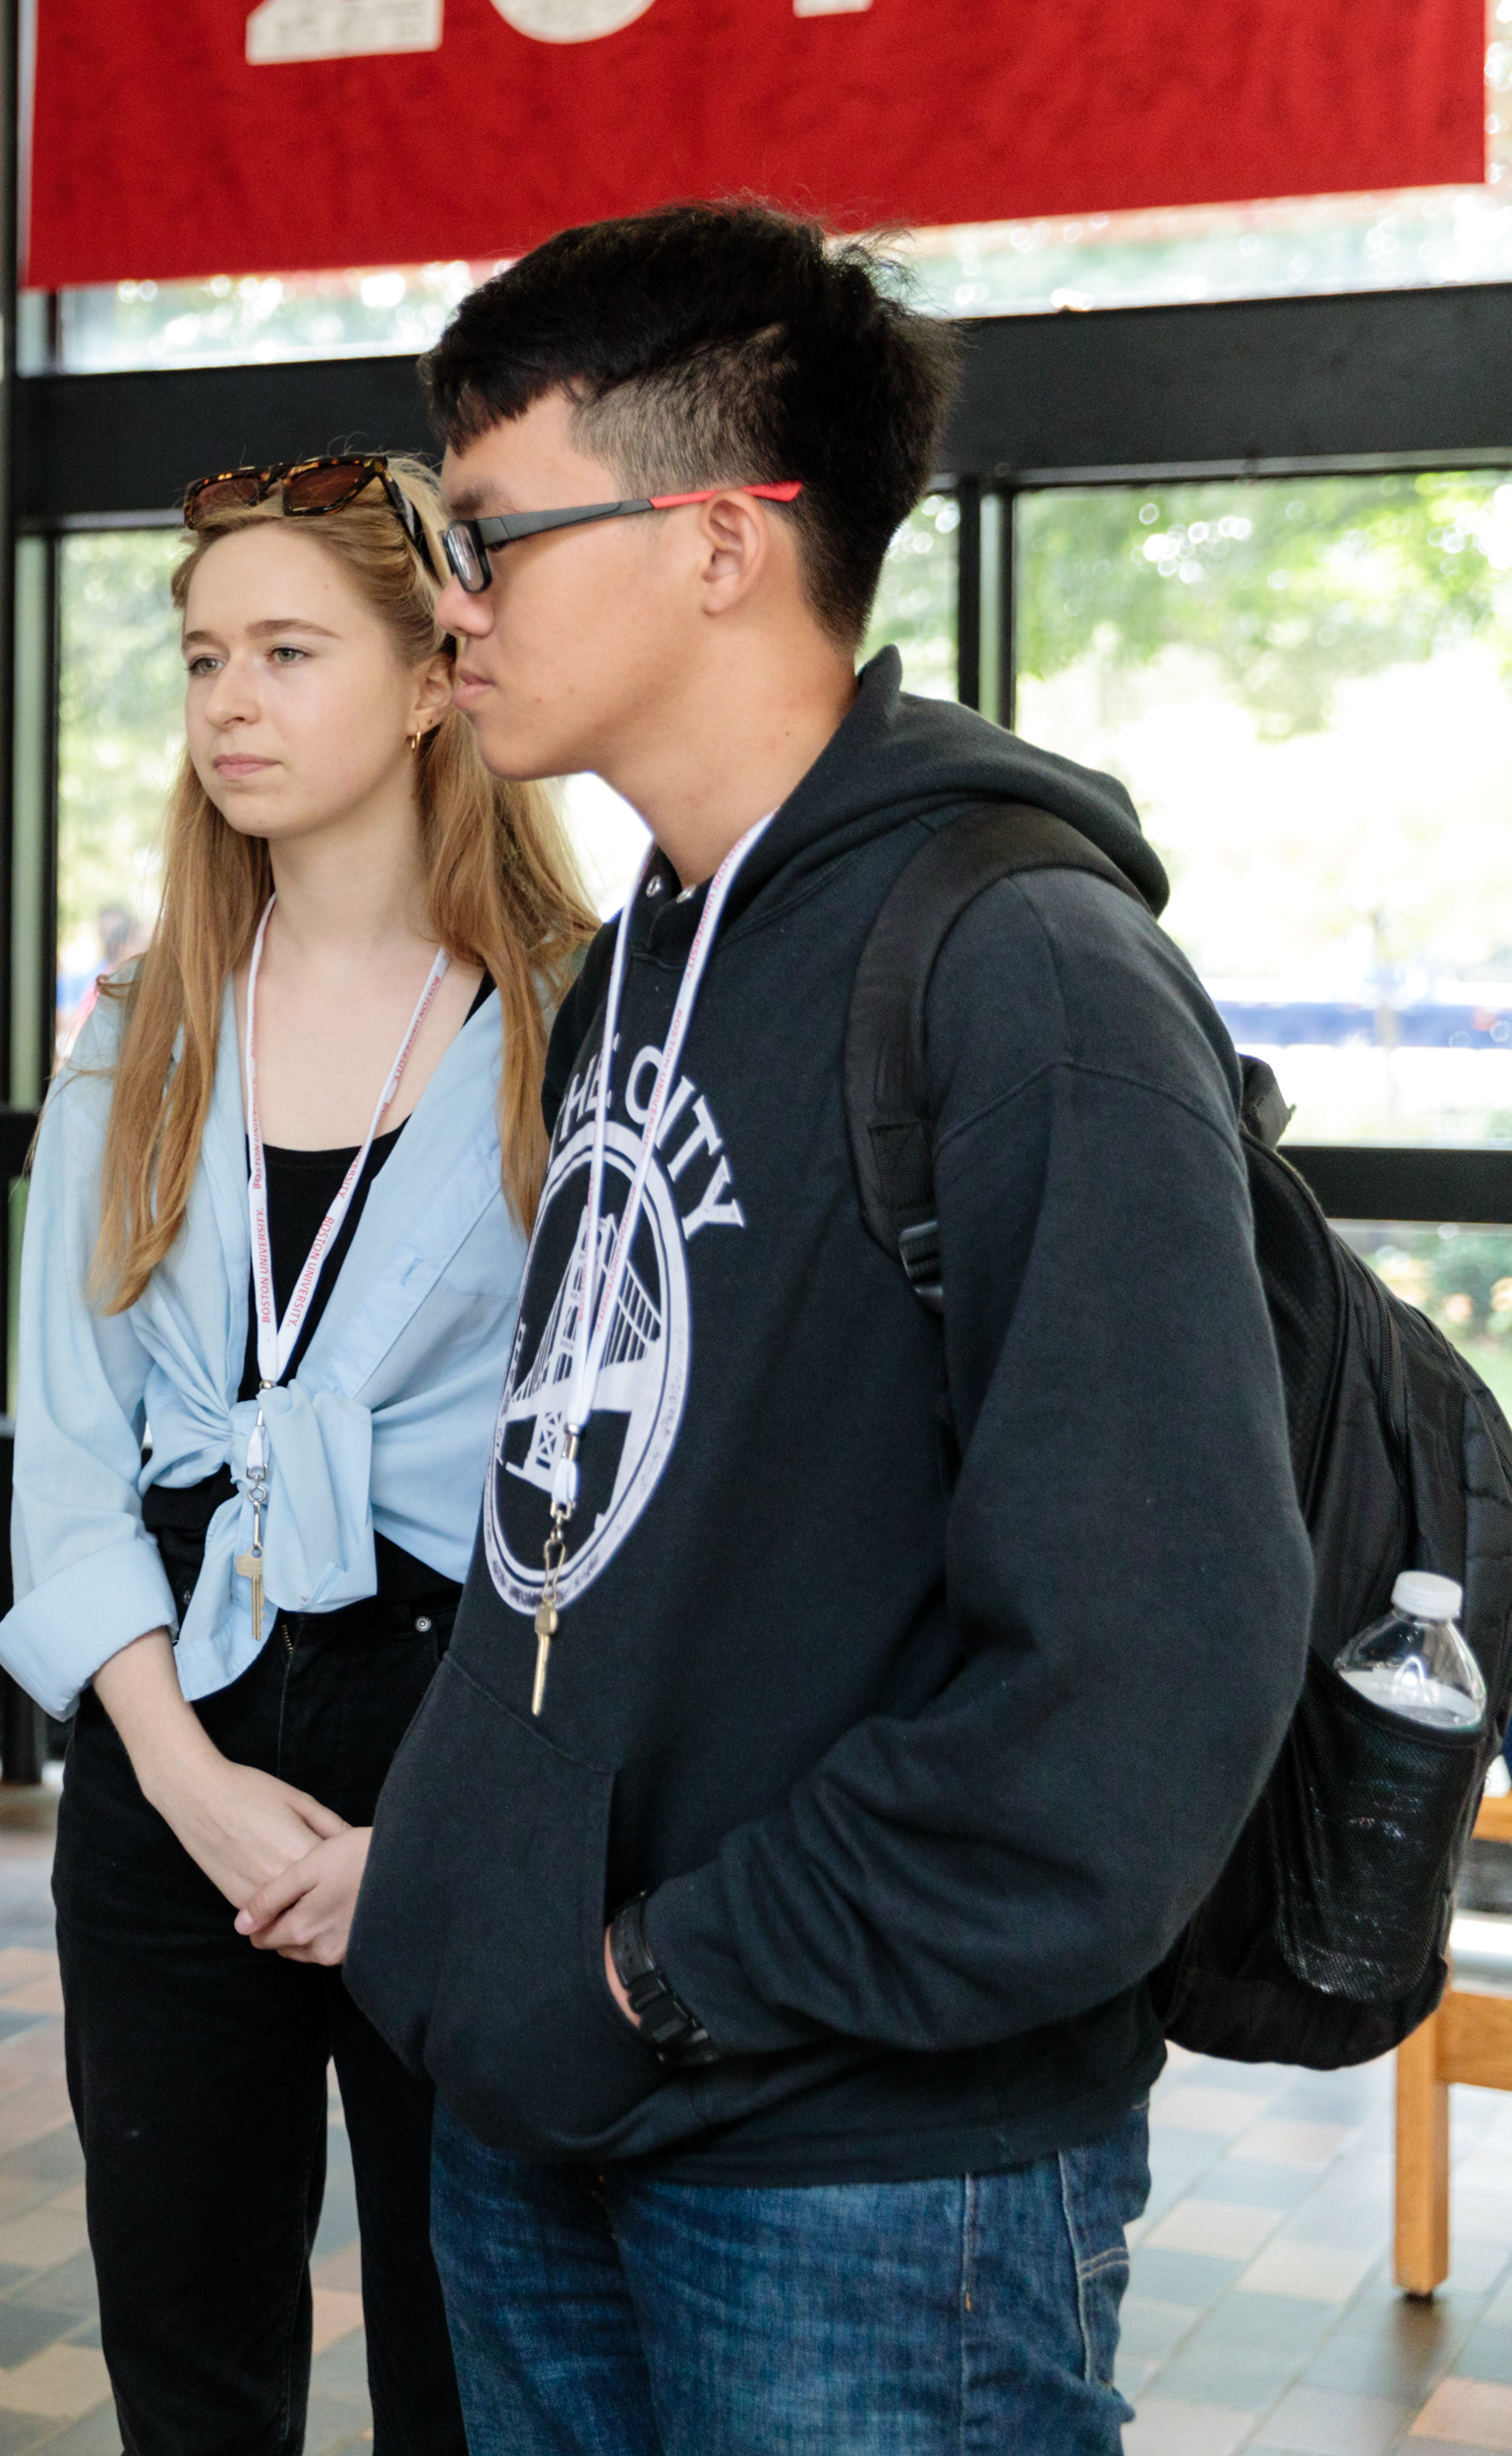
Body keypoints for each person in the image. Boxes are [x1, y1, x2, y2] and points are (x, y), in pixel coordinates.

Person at [345, 204, 1307, 2451]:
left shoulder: (1023, 974)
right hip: (543, 2114)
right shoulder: (626, 971)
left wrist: (662, 1974)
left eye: (483, 531)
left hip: (863, 2186)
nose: (443, 600)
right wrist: (478, 1912)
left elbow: (1140, 1668)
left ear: (708, 541)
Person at [0, 458, 593, 2456]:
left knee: (473, 2350)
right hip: (177, 1706)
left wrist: (413, 1840)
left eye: (285, 653)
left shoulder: (566, 1029)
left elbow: (615, 1474)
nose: (229, 703)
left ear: (434, 679)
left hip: (470, 1726)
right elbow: (70, 1464)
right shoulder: (136, 1032)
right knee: (186, 2346)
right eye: (199, 661)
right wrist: (184, 1782)